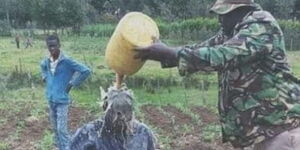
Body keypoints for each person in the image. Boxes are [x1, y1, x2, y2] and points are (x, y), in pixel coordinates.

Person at [135, 0, 300, 149]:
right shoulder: (231, 31)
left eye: (224, 14)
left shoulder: (262, 25)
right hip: (263, 132)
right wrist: (162, 54)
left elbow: (222, 55)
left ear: (242, 10)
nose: (220, 19)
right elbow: (201, 49)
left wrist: (173, 54)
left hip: (282, 128)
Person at [40, 35, 91, 150]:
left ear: (59, 45)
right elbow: (42, 66)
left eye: (54, 46)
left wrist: (72, 83)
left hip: (62, 101)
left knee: (61, 129)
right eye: (50, 46)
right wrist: (44, 76)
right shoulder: (47, 61)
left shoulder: (67, 61)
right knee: (55, 128)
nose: (52, 48)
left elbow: (86, 71)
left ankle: (68, 147)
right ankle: (59, 147)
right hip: (51, 99)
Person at [70, 86, 157, 150]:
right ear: (105, 110)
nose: (120, 117)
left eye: (125, 111)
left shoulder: (142, 132)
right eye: (115, 112)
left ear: (132, 111)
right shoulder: (90, 133)